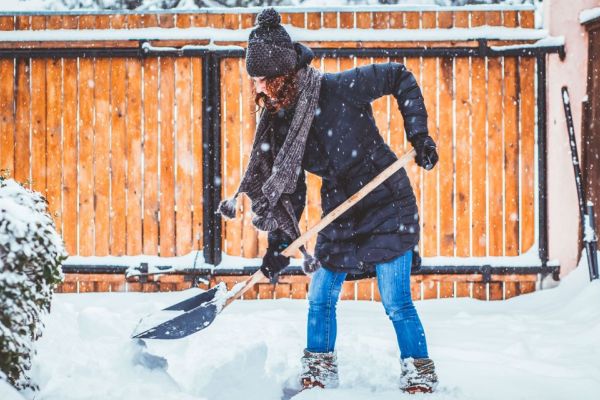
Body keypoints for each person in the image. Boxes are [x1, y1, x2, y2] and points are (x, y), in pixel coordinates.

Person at [218, 8, 439, 394]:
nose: (261, 88)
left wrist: (419, 136)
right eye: (257, 80)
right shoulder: (282, 122)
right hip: (341, 209)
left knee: (396, 300)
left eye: (267, 79)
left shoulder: (338, 88)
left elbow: (398, 76)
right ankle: (318, 373)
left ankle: (419, 376)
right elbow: (291, 190)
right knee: (320, 296)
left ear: (285, 75)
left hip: (386, 201)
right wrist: (280, 245)